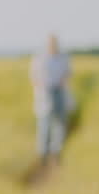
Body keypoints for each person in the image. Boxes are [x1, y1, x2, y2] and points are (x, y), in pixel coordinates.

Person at [28, 34, 74, 167]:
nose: (53, 46)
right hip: (44, 94)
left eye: (55, 43)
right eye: (51, 43)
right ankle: (42, 154)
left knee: (59, 123)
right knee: (44, 124)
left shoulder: (63, 57)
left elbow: (68, 74)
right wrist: (42, 87)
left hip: (60, 92)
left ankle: (56, 153)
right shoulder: (40, 58)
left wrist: (62, 84)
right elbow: (33, 77)